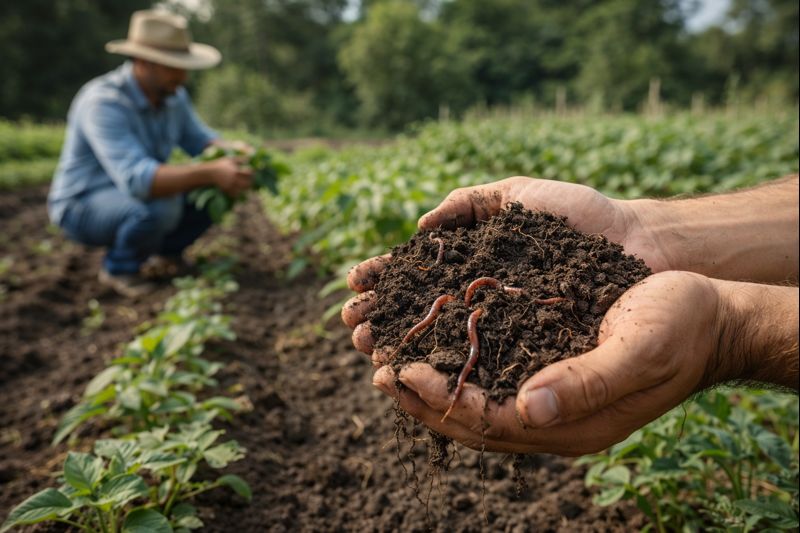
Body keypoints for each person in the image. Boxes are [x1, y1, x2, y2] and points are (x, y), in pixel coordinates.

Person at [342, 174, 799, 456]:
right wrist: (646, 231)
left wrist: (730, 329)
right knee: (466, 331)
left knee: (470, 335)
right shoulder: (461, 291)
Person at [47, 10, 253, 297]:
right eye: (173, 67)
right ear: (144, 62)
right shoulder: (104, 102)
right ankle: (119, 268)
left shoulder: (173, 96)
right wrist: (211, 171)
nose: (182, 76)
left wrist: (235, 152)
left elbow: (200, 141)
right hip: (81, 205)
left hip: (130, 196)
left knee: (212, 189)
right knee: (160, 205)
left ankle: (167, 255)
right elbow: (137, 180)